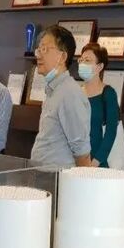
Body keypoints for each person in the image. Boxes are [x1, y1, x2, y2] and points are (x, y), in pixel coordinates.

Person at [30, 25, 91, 168]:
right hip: (43, 174)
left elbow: (82, 152)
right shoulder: (54, 90)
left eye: (45, 49)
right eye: (39, 49)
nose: (38, 55)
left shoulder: (69, 93)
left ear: (62, 57)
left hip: (58, 177)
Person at [78, 43, 119, 168]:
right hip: (74, 161)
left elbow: (111, 132)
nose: (82, 64)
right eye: (81, 60)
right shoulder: (76, 93)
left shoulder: (108, 93)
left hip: (96, 164)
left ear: (100, 66)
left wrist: (95, 163)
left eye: (88, 60)